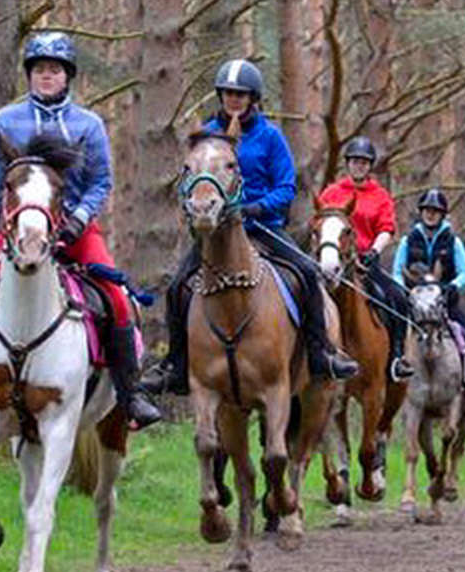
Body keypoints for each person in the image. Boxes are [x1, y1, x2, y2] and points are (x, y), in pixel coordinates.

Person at [0, 31, 161, 429]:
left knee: (117, 300)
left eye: (54, 70)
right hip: (20, 228)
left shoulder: (88, 124)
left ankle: (130, 395)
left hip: (76, 231)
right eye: (39, 69)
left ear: (67, 76)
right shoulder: (7, 120)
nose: (46, 76)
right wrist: (12, 219)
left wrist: (77, 220)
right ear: (29, 74)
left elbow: (101, 182)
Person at [138, 58, 360, 396]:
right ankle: (176, 365)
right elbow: (193, 179)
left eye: (241, 94)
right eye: (228, 93)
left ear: (253, 98)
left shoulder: (270, 136)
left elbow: (286, 187)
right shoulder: (208, 137)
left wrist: (256, 207)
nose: (234, 100)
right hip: (218, 232)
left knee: (305, 273)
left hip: (263, 227)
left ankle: (321, 353)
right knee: (177, 286)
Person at [316, 136, 415, 382]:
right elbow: (319, 224)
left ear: (370, 166)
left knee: (398, 297)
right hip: (332, 260)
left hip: (364, 261)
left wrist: (374, 251)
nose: (359, 165)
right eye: (355, 161)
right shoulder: (332, 192)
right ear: (347, 164)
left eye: (364, 162)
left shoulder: (380, 196)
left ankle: (397, 357)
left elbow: (386, 228)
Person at [392, 188, 465, 405]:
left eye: (435, 211)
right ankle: (393, 376)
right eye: (427, 210)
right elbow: (397, 271)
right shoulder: (408, 240)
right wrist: (403, 289)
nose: (430, 214)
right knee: (394, 333)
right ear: (421, 212)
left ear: (442, 214)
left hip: (444, 303)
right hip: (415, 305)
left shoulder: (453, 241)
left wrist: (453, 286)